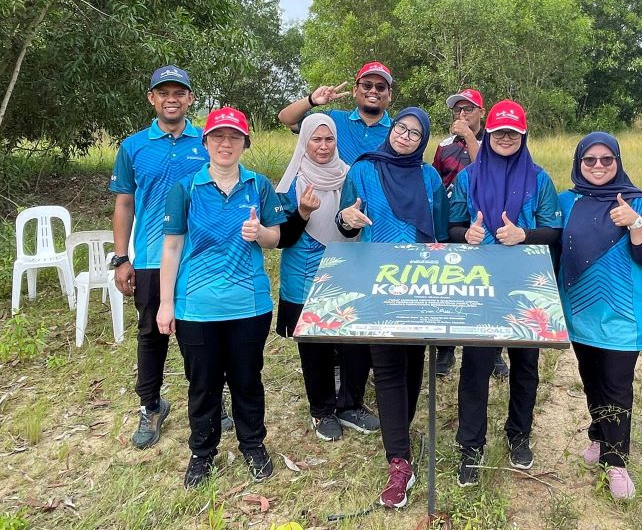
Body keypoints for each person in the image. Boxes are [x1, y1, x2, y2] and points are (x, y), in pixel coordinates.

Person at [156, 107, 286, 488]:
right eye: (218, 137)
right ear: (206, 142)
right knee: (203, 384)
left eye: (234, 137)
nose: (225, 144)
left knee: (247, 379)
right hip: (196, 305)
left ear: (245, 143)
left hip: (249, 303)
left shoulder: (259, 185)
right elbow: (171, 248)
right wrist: (166, 303)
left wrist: (259, 232)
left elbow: (276, 238)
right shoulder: (185, 189)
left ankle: (253, 444)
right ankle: (202, 452)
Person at [110, 65, 232, 449]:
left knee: (204, 334)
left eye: (179, 92)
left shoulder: (207, 141)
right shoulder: (133, 146)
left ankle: (212, 401)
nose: (172, 98)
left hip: (200, 258)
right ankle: (150, 405)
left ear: (191, 98)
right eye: (164, 92)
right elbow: (125, 202)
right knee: (152, 333)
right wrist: (120, 258)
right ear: (152, 98)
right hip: (149, 257)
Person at [336, 107, 450, 509]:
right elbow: (345, 222)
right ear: (392, 129)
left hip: (419, 286)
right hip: (376, 284)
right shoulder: (363, 170)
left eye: (415, 133)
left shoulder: (429, 177)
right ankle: (399, 460)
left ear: (423, 141)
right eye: (401, 127)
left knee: (413, 363)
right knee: (386, 367)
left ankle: (401, 429)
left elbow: (438, 233)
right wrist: (347, 218)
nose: (405, 135)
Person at [448, 100, 563, 487]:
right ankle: (470, 446)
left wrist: (523, 235)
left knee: (525, 366)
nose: (506, 137)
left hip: (526, 285)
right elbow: (452, 226)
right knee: (475, 368)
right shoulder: (468, 178)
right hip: (480, 284)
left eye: (513, 132)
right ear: (489, 134)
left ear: (523, 135)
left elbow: (554, 230)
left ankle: (519, 434)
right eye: (499, 131)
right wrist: (468, 234)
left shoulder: (539, 179)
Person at [556, 132, 642, 500]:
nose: (599, 166)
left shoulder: (636, 202)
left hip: (623, 313)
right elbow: (552, 246)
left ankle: (616, 462)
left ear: (618, 161)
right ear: (579, 163)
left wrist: (635, 224)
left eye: (607, 159)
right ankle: (599, 434)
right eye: (590, 160)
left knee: (617, 387)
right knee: (592, 381)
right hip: (580, 311)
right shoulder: (565, 201)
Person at [274, 114, 380, 442]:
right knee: (315, 345)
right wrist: (302, 213)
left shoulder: (349, 176)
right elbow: (282, 238)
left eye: (329, 139)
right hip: (303, 271)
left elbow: (361, 218)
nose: (322, 146)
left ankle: (351, 404)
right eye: (316, 140)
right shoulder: (291, 182)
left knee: (355, 340)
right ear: (304, 141)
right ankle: (321, 410)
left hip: (346, 266)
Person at [430, 88, 506, 379]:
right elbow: (436, 181)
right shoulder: (444, 144)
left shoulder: (495, 141)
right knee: (450, 285)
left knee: (487, 285)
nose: (462, 114)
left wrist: (471, 139)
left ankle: (494, 352)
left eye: (469, 109)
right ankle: (446, 349)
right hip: (453, 221)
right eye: (458, 110)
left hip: (486, 220)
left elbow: (486, 172)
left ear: (481, 112)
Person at [277, 61, 394, 164]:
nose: (373, 90)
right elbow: (287, 119)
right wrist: (312, 100)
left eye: (380, 87)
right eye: (367, 85)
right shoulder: (332, 119)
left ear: (389, 94)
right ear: (355, 90)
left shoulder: (399, 131)